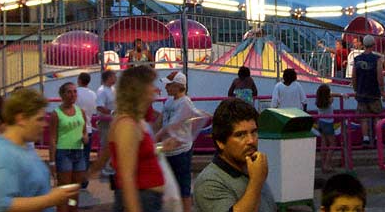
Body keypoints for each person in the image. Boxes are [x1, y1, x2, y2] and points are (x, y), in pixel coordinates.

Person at [0, 88, 78, 212]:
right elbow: (0, 205)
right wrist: (51, 199)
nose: (44, 124)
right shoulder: (2, 155)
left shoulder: (22, 147)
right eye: (39, 119)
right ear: (21, 119)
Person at [193, 98, 276, 212]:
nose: (251, 140)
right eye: (240, 135)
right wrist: (256, 182)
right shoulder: (209, 182)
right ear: (220, 142)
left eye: (254, 132)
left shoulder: (252, 168)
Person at [109, 66, 164, 212]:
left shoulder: (135, 121)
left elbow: (139, 154)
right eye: (150, 84)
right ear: (139, 89)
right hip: (142, 199)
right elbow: (127, 178)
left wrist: (163, 147)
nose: (154, 89)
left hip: (147, 198)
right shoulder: (127, 124)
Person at [155, 71, 197, 212]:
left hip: (181, 151)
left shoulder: (185, 103)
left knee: (183, 188)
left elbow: (169, 127)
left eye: (169, 85)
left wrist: (155, 139)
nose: (166, 88)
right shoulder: (169, 101)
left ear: (178, 86)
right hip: (169, 151)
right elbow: (161, 119)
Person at [49, 82, 88, 212]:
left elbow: (84, 130)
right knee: (64, 189)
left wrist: (85, 137)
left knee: (75, 189)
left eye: (74, 91)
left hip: (79, 153)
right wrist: (52, 161)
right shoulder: (56, 114)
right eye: (69, 92)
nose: (72, 95)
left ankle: (72, 209)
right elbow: (52, 138)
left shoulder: (80, 111)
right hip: (63, 153)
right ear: (62, 95)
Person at [351, 35, 385, 145]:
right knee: (377, 116)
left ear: (363, 45)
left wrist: (356, 89)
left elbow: (354, 76)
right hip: (374, 92)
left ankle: (365, 138)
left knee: (364, 118)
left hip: (361, 92)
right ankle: (376, 138)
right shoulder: (377, 59)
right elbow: (380, 76)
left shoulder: (357, 59)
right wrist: (382, 90)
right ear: (373, 45)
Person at [75, 72, 97, 189]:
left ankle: (76, 180)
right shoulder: (93, 94)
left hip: (75, 128)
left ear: (79, 80)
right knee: (85, 156)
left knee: (75, 155)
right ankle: (84, 181)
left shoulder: (75, 93)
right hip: (88, 128)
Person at [96, 70, 117, 176]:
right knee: (106, 144)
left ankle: (110, 166)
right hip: (105, 123)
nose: (116, 78)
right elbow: (99, 106)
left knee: (112, 144)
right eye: (114, 76)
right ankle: (104, 168)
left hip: (113, 122)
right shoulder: (102, 91)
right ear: (108, 78)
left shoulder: (112, 89)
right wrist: (112, 112)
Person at [315, 84, 337, 172]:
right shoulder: (330, 100)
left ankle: (323, 164)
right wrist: (341, 95)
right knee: (333, 144)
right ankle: (327, 164)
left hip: (320, 122)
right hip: (328, 123)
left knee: (323, 144)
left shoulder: (318, 101)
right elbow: (332, 95)